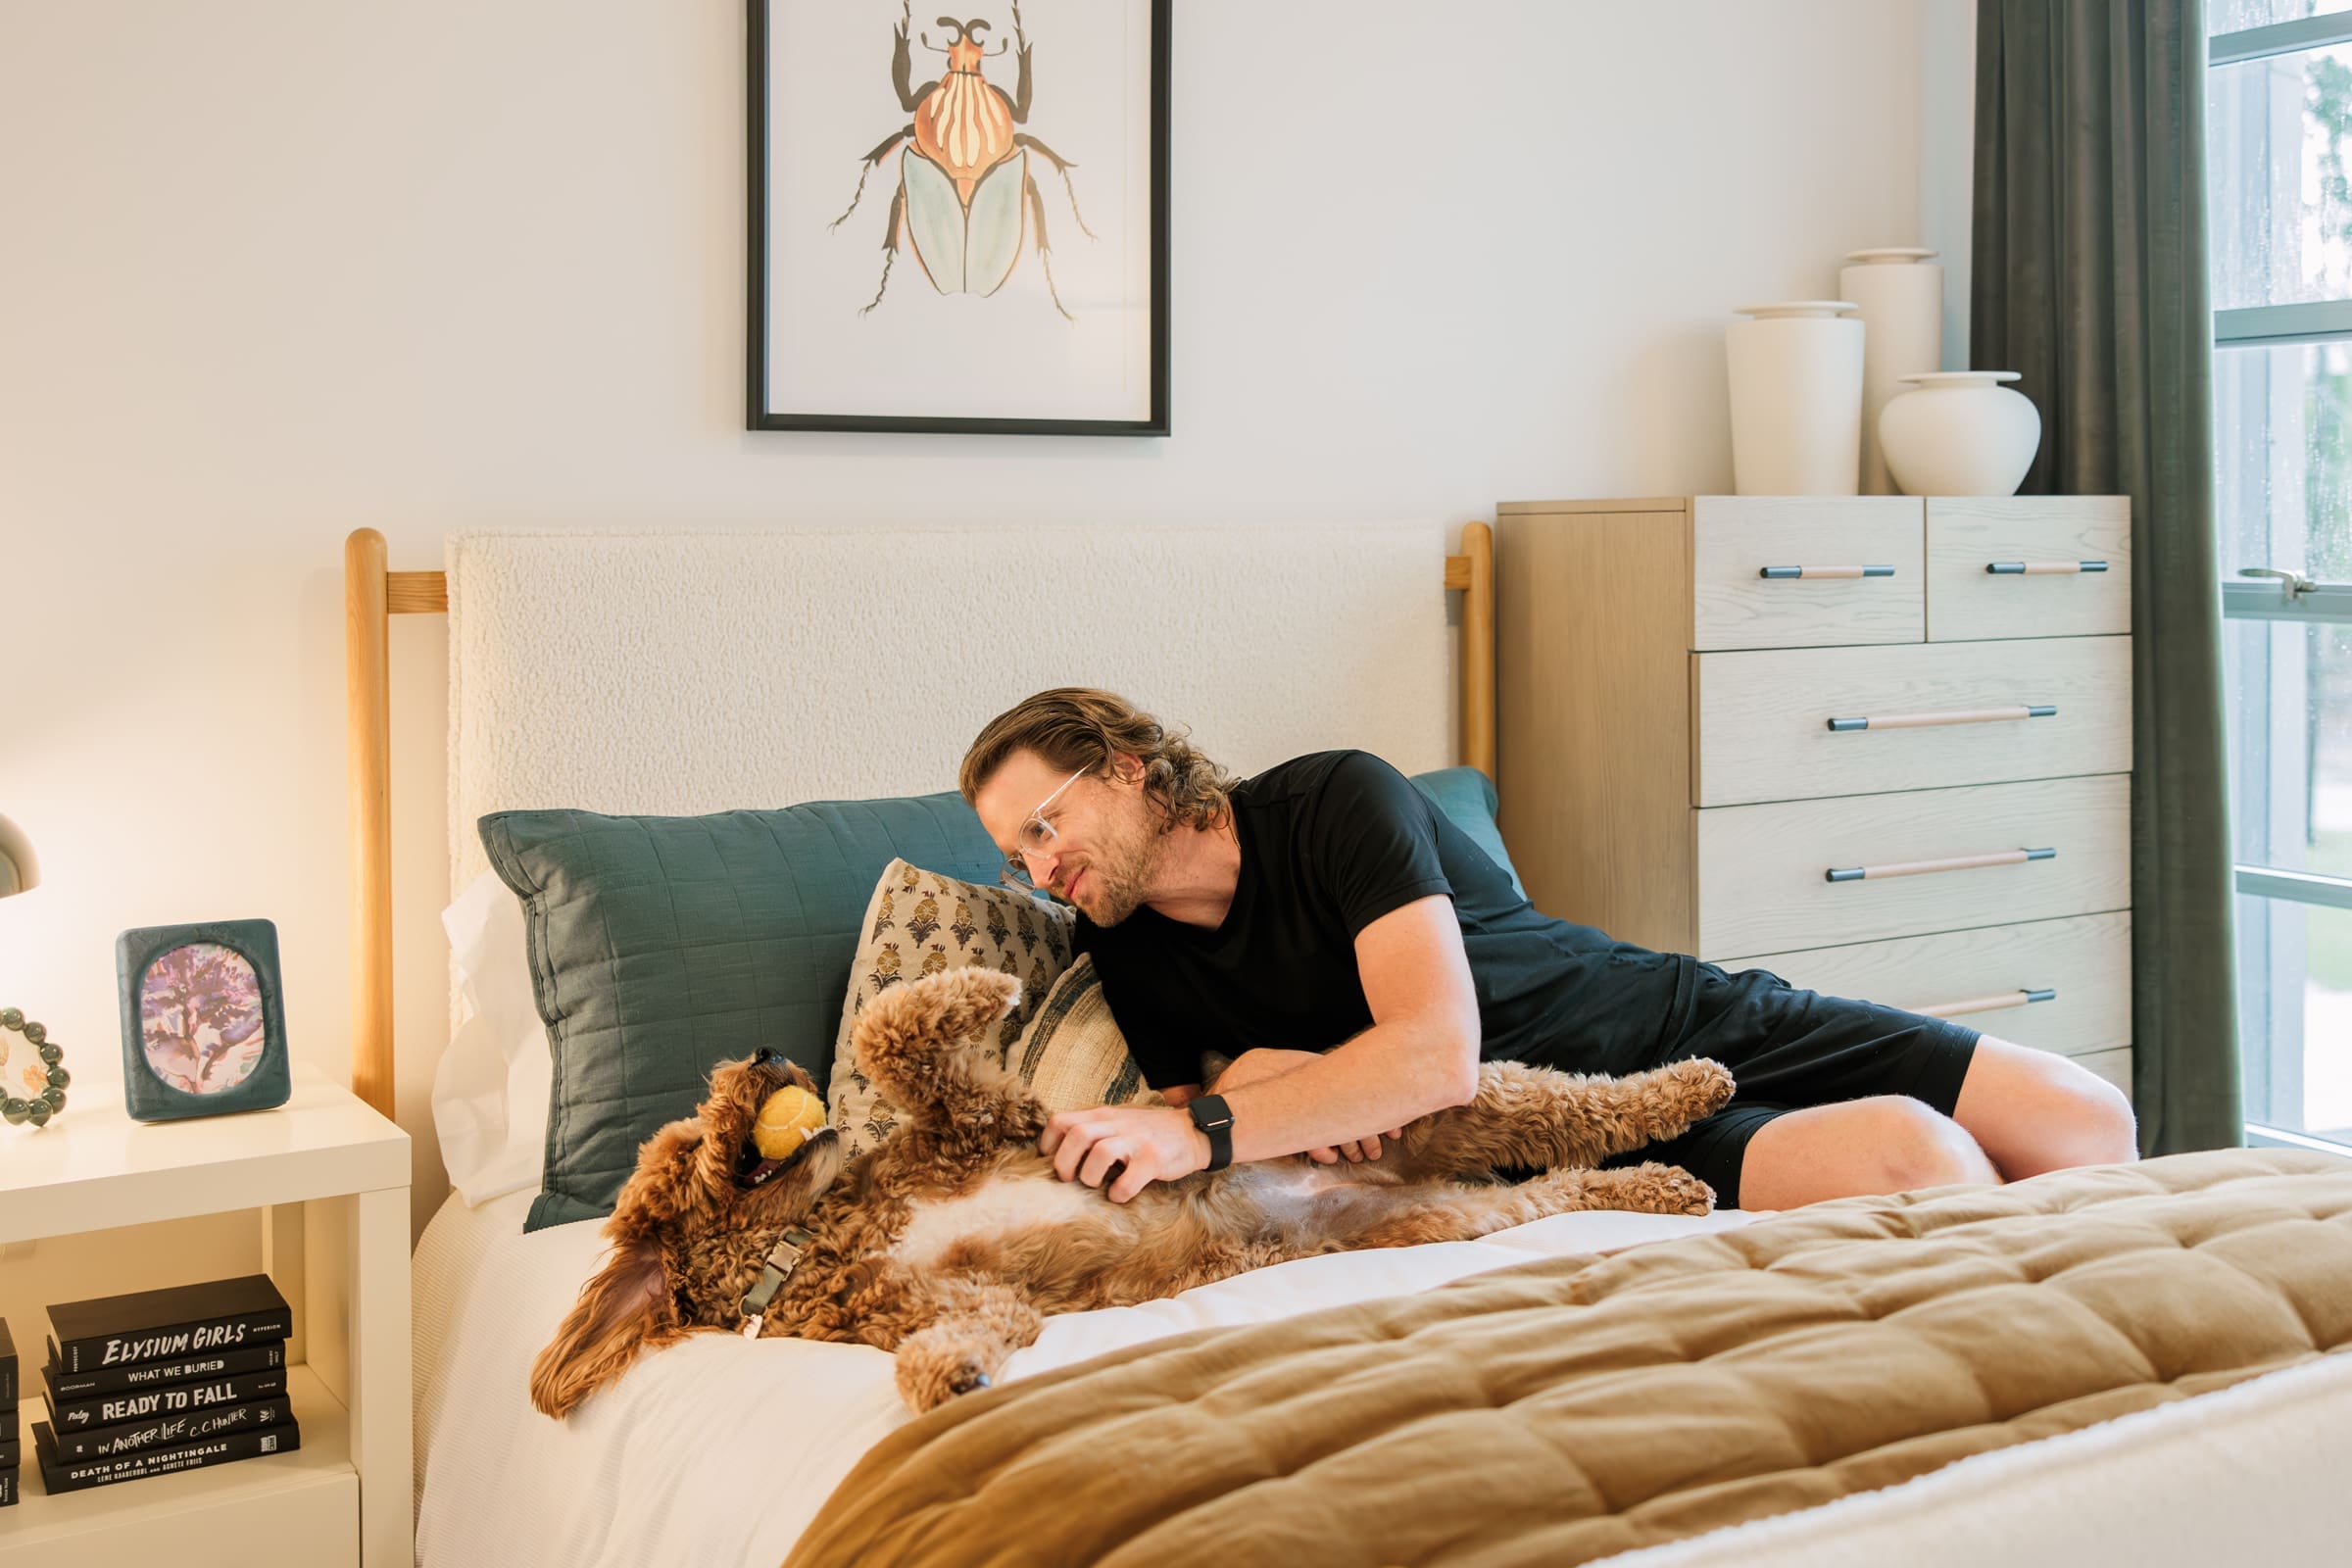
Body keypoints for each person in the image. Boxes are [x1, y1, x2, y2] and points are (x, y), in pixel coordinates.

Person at [960, 688, 2138, 1208]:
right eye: (1017, 854)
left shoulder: (1333, 802)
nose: (1039, 865)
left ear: (1126, 767)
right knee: (1918, 1162)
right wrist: (1249, 1090)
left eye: (1044, 825)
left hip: (1672, 1014)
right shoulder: (1119, 944)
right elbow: (1202, 1102)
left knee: (2085, 1119)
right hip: (1564, 1133)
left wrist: (1226, 1112)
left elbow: (1430, 1052)